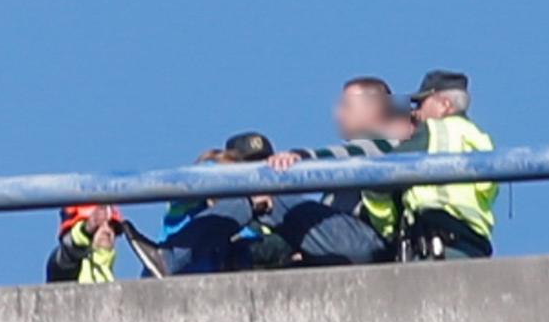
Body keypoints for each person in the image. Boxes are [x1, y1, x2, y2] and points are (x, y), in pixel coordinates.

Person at [269, 69, 497, 260]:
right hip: (470, 246)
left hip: (436, 243)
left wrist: (301, 157)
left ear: (445, 104)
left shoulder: (427, 133)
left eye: (422, 103)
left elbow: (380, 171)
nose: (416, 112)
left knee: (270, 196)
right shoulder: (481, 140)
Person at [126, 132, 290, 276]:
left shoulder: (253, 216)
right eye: (246, 165)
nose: (256, 175)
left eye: (262, 167)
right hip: (176, 281)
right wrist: (240, 194)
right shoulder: (205, 180)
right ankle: (165, 258)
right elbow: (198, 185)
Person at [46, 204, 123, 284]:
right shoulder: (62, 263)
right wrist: (85, 231)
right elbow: (69, 251)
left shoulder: (111, 278)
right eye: (98, 225)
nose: (107, 231)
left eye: (112, 226)